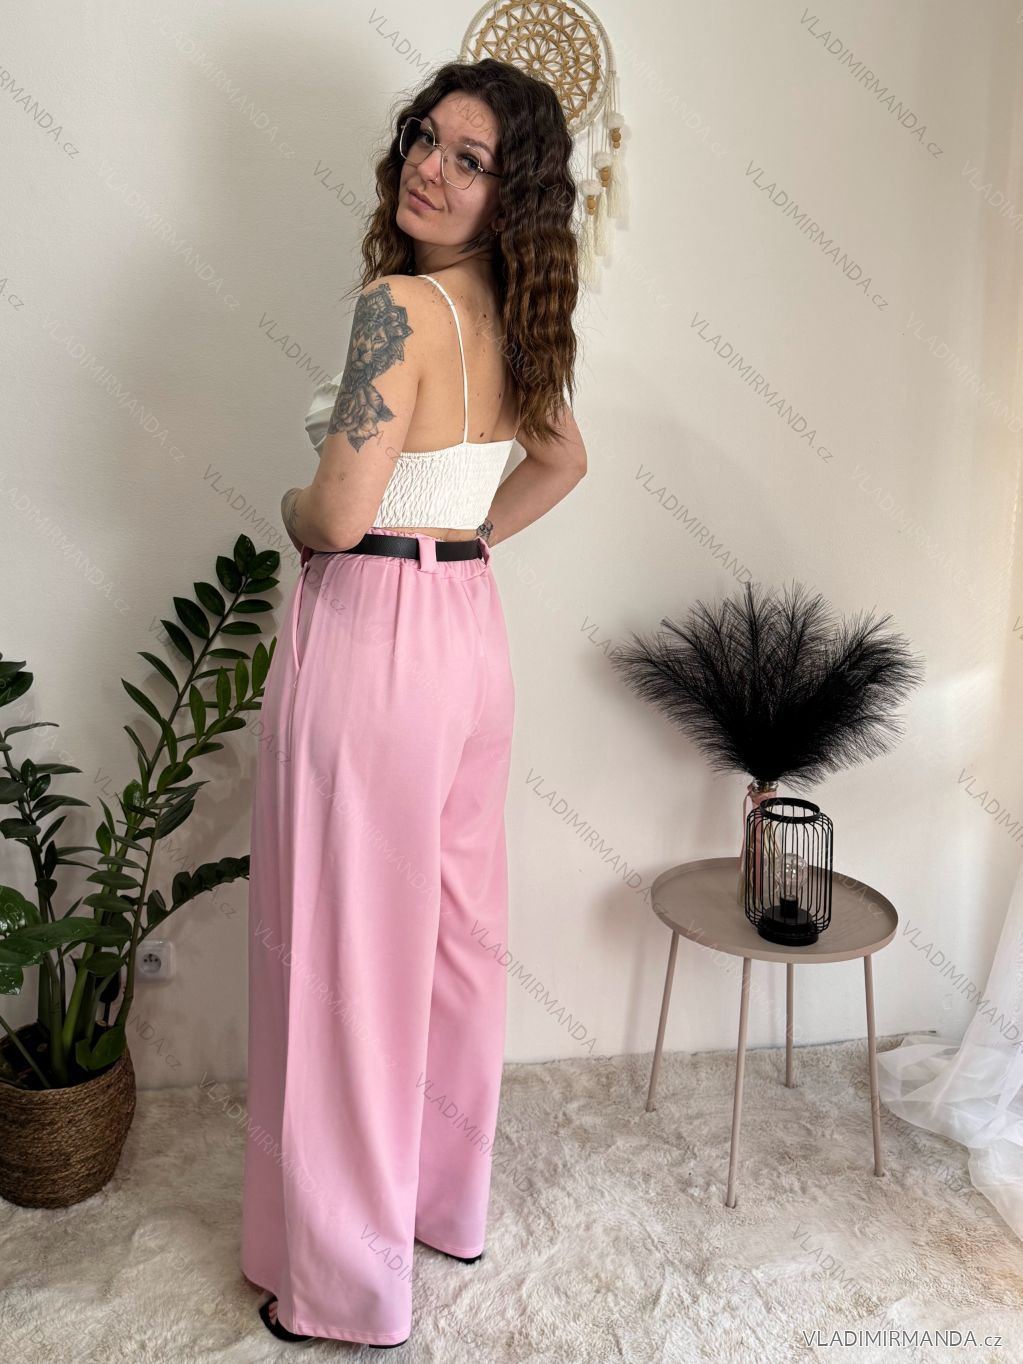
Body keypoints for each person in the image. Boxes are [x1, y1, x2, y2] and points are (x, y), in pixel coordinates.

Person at [240, 57, 587, 1348]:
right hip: (466, 635)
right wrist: (464, 533)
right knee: (449, 943)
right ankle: (442, 1206)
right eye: (425, 139)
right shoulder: (510, 312)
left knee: (347, 955)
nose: (430, 169)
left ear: (511, 195)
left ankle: (344, 1283)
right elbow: (565, 457)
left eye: (469, 158)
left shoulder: (398, 306)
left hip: (375, 635)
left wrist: (292, 507)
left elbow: (336, 512)